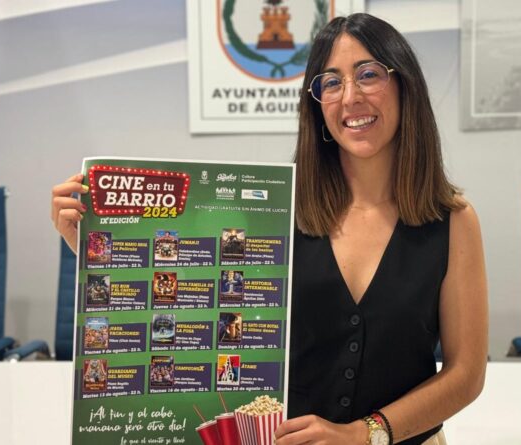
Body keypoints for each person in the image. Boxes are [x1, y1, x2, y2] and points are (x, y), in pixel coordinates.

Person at [51, 13, 487, 445]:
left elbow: (466, 374)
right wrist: (95, 254)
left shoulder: (454, 221)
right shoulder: (274, 211)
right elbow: (184, 313)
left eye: (368, 74)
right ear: (317, 104)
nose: (350, 97)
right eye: (331, 82)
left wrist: (364, 434)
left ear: (405, 84)